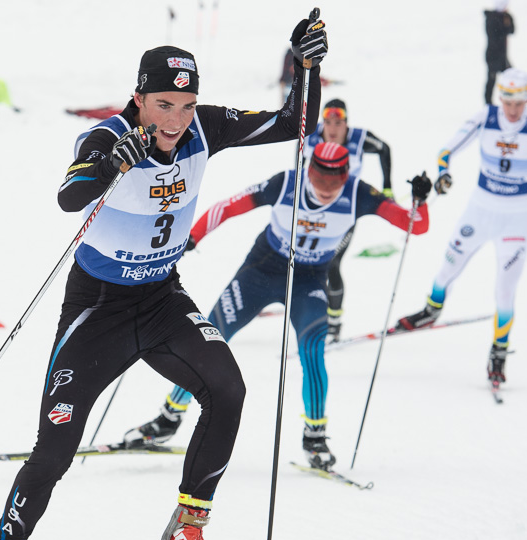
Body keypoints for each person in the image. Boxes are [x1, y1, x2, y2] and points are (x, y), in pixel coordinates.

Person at [0, 15, 329, 540]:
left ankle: (185, 536)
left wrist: (308, 68)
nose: (176, 119)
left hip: (160, 300)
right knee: (54, 448)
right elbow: (68, 195)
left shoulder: (205, 128)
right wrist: (109, 165)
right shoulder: (107, 136)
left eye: (186, 104)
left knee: (227, 389)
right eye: (163, 104)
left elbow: (291, 124)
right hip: (96, 310)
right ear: (139, 97)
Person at [123, 142, 431, 470]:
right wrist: (194, 236)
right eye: (319, 179)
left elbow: (415, 225)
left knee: (313, 349)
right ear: (309, 171)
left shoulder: (359, 193)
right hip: (261, 270)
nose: (326, 189)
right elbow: (227, 207)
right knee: (209, 337)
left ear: (346, 176)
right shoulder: (286, 183)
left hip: (309, 281)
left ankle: (315, 437)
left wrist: (420, 200)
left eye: (334, 182)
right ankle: (169, 418)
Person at [395, 68, 527, 387]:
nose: (513, 110)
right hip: (480, 211)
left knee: (505, 289)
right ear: (500, 97)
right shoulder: (486, 116)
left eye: (520, 103)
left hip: (517, 217)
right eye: (508, 102)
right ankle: (431, 309)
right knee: (447, 266)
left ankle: (498, 351)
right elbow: (446, 151)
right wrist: (444, 173)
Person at [301, 99, 394, 342]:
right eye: (328, 122)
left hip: (344, 216)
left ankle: (334, 322)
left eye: (338, 123)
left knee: (331, 263)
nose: (332, 129)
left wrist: (387, 188)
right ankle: (306, 299)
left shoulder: (359, 139)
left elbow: (384, 149)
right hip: (312, 213)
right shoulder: (311, 137)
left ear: (346, 124)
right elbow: (299, 170)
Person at [484, 1, 514, 104]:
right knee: (491, 80)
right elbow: (495, 36)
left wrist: (508, 20)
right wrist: (504, 25)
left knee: (512, 77)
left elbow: (512, 30)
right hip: (492, 55)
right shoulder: (491, 18)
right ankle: (488, 104)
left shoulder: (505, 17)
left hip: (503, 56)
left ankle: (511, 101)